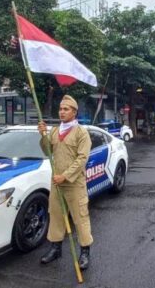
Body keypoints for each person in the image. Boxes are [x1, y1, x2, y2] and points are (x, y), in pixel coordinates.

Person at [38, 95, 94, 270]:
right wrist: (43, 135)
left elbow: (82, 158)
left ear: (74, 112)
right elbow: (47, 150)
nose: (62, 112)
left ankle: (85, 252)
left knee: (80, 218)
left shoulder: (81, 133)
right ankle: (55, 248)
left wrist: (66, 175)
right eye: (60, 109)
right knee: (55, 216)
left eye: (66, 109)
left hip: (74, 183)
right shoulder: (55, 130)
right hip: (57, 183)